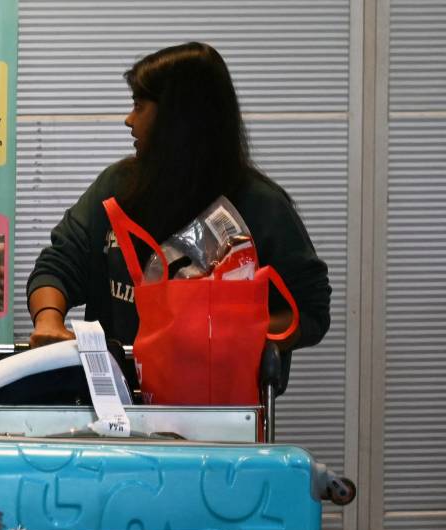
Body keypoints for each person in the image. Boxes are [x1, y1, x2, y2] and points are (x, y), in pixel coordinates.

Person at [26, 42, 331, 387]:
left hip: (223, 414)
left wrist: (223, 336)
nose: (129, 120)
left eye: (139, 106)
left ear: (177, 119)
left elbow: (309, 311)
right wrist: (49, 321)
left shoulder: (261, 206)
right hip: (120, 406)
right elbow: (59, 263)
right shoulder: (116, 187)